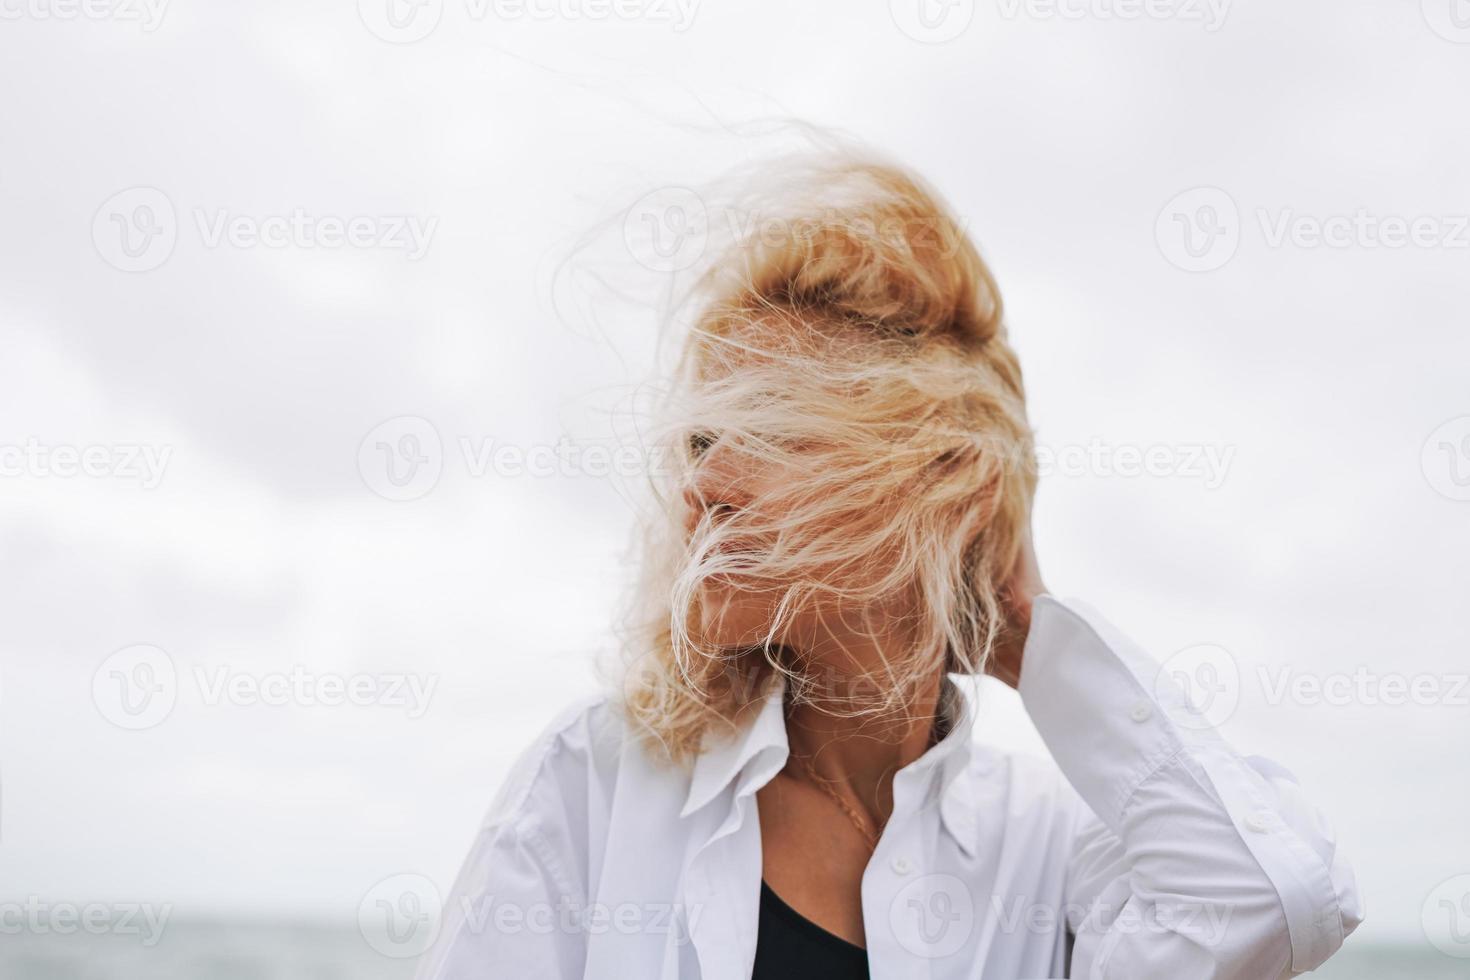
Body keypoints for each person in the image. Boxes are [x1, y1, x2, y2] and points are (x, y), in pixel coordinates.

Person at [414, 150, 1362, 979]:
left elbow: (1269, 904)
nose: (706, 483)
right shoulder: (600, 784)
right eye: (700, 438)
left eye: (772, 428)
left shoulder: (1048, 852)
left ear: (945, 481)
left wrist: (1028, 629)